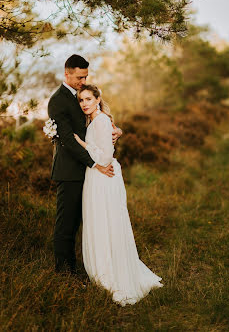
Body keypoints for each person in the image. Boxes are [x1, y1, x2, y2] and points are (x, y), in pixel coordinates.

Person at [74, 84, 163, 306]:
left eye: (88, 99)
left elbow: (105, 158)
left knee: (107, 221)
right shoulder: (96, 121)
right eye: (81, 100)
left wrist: (80, 142)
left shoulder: (102, 120)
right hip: (96, 177)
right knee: (100, 221)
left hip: (103, 177)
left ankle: (110, 272)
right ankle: (103, 268)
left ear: (97, 99)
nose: (84, 104)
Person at [48, 55, 122, 274]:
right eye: (79, 77)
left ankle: (93, 266)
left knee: (89, 222)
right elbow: (69, 141)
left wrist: (117, 131)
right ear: (67, 74)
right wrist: (95, 163)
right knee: (66, 225)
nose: (83, 80)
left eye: (86, 76)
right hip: (70, 171)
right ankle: (64, 273)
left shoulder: (83, 96)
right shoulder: (58, 100)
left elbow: (99, 122)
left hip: (89, 173)